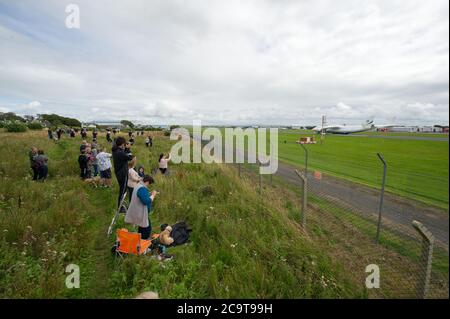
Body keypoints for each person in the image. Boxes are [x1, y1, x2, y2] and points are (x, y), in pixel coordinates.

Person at [124, 175, 158, 240]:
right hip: (140, 213)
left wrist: (148, 194)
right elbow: (146, 201)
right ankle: (143, 242)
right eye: (149, 184)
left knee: (142, 226)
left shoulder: (138, 185)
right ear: (147, 182)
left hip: (138, 211)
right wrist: (153, 195)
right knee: (147, 229)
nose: (148, 186)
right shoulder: (142, 188)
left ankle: (139, 240)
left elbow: (141, 195)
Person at [112, 137, 133, 208]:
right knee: (123, 190)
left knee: (122, 189)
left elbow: (125, 155)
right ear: (122, 144)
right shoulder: (120, 152)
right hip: (122, 173)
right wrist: (128, 149)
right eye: (124, 144)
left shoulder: (116, 150)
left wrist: (125, 149)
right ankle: (120, 207)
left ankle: (121, 205)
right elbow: (130, 157)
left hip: (119, 172)